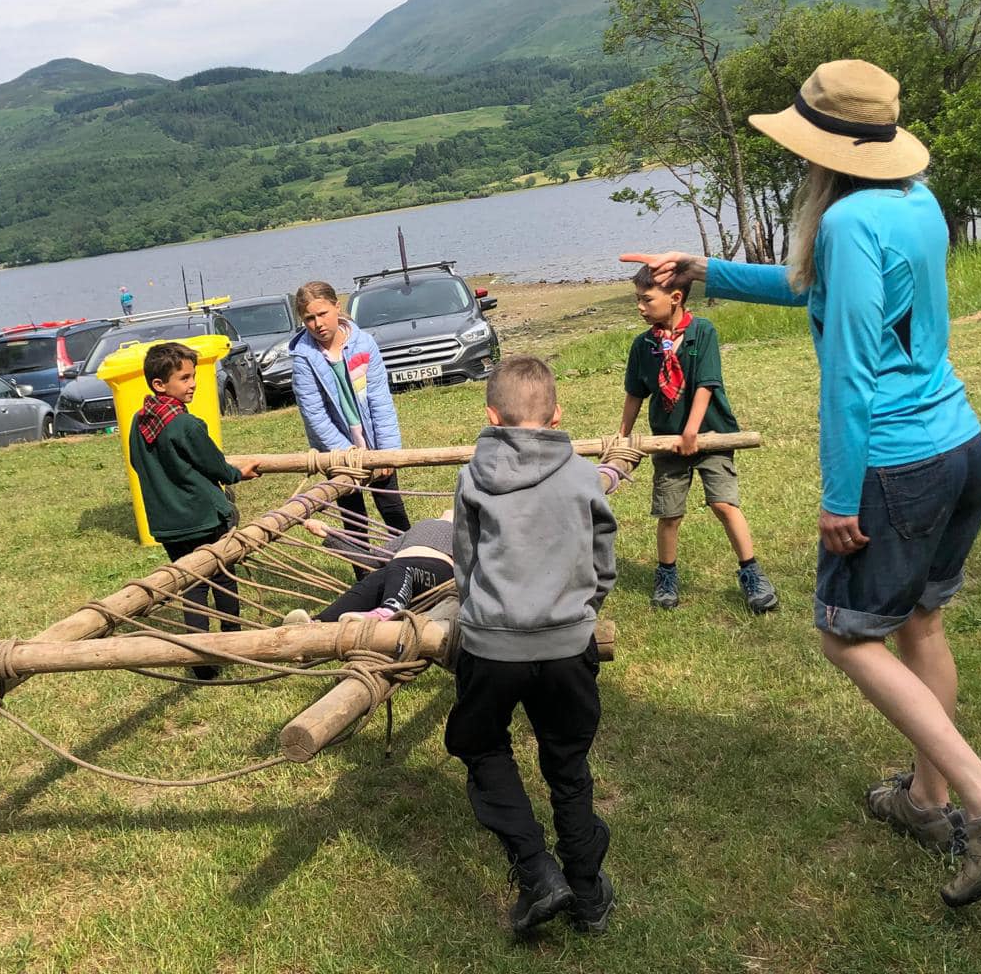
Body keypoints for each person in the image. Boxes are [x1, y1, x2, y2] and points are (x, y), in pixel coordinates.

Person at [623, 58, 981, 907]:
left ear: (826, 149)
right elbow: (814, 290)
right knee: (920, 622)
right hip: (958, 447)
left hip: (895, 465)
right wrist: (702, 269)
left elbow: (852, 372)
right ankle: (926, 800)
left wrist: (838, 495)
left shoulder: (849, 221)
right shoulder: (913, 201)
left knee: (847, 637)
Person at [444, 356, 618, 936]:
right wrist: (583, 611)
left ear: (491, 416)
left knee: (480, 744)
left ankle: (536, 870)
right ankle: (587, 891)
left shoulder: (473, 476)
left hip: (492, 646)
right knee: (567, 762)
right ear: (557, 414)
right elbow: (602, 558)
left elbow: (465, 562)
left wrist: (479, 615)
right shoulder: (584, 475)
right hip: (568, 644)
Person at [620, 264, 777, 613]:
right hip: (668, 441)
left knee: (724, 504)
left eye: (647, 299)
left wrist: (692, 431)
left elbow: (706, 385)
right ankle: (666, 576)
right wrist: (622, 436)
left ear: (676, 298)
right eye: (638, 300)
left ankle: (752, 573)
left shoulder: (702, 332)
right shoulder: (643, 345)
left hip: (711, 434)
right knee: (669, 513)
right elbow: (634, 393)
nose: (640, 307)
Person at [128, 341, 259, 680]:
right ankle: (232, 642)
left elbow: (138, 464)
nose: (193, 384)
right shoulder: (186, 425)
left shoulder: (140, 422)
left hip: (169, 525)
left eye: (193, 376)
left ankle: (202, 662)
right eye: (184, 378)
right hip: (203, 518)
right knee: (223, 577)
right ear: (160, 384)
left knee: (191, 586)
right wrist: (237, 474)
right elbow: (214, 465)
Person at [288, 280, 410, 563]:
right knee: (354, 517)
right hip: (338, 452)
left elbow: (380, 399)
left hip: (374, 443)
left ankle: (412, 561)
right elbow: (315, 415)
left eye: (322, 314)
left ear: (337, 307)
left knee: (392, 507)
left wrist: (387, 452)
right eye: (309, 318)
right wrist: (347, 455)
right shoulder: (303, 358)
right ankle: (364, 573)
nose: (318, 324)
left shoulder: (364, 344)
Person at [283, 510, 456, 623]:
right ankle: (320, 622)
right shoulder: (421, 526)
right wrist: (329, 536)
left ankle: (390, 611)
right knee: (371, 581)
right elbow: (371, 560)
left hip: (438, 577)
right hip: (399, 571)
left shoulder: (465, 530)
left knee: (400, 566)